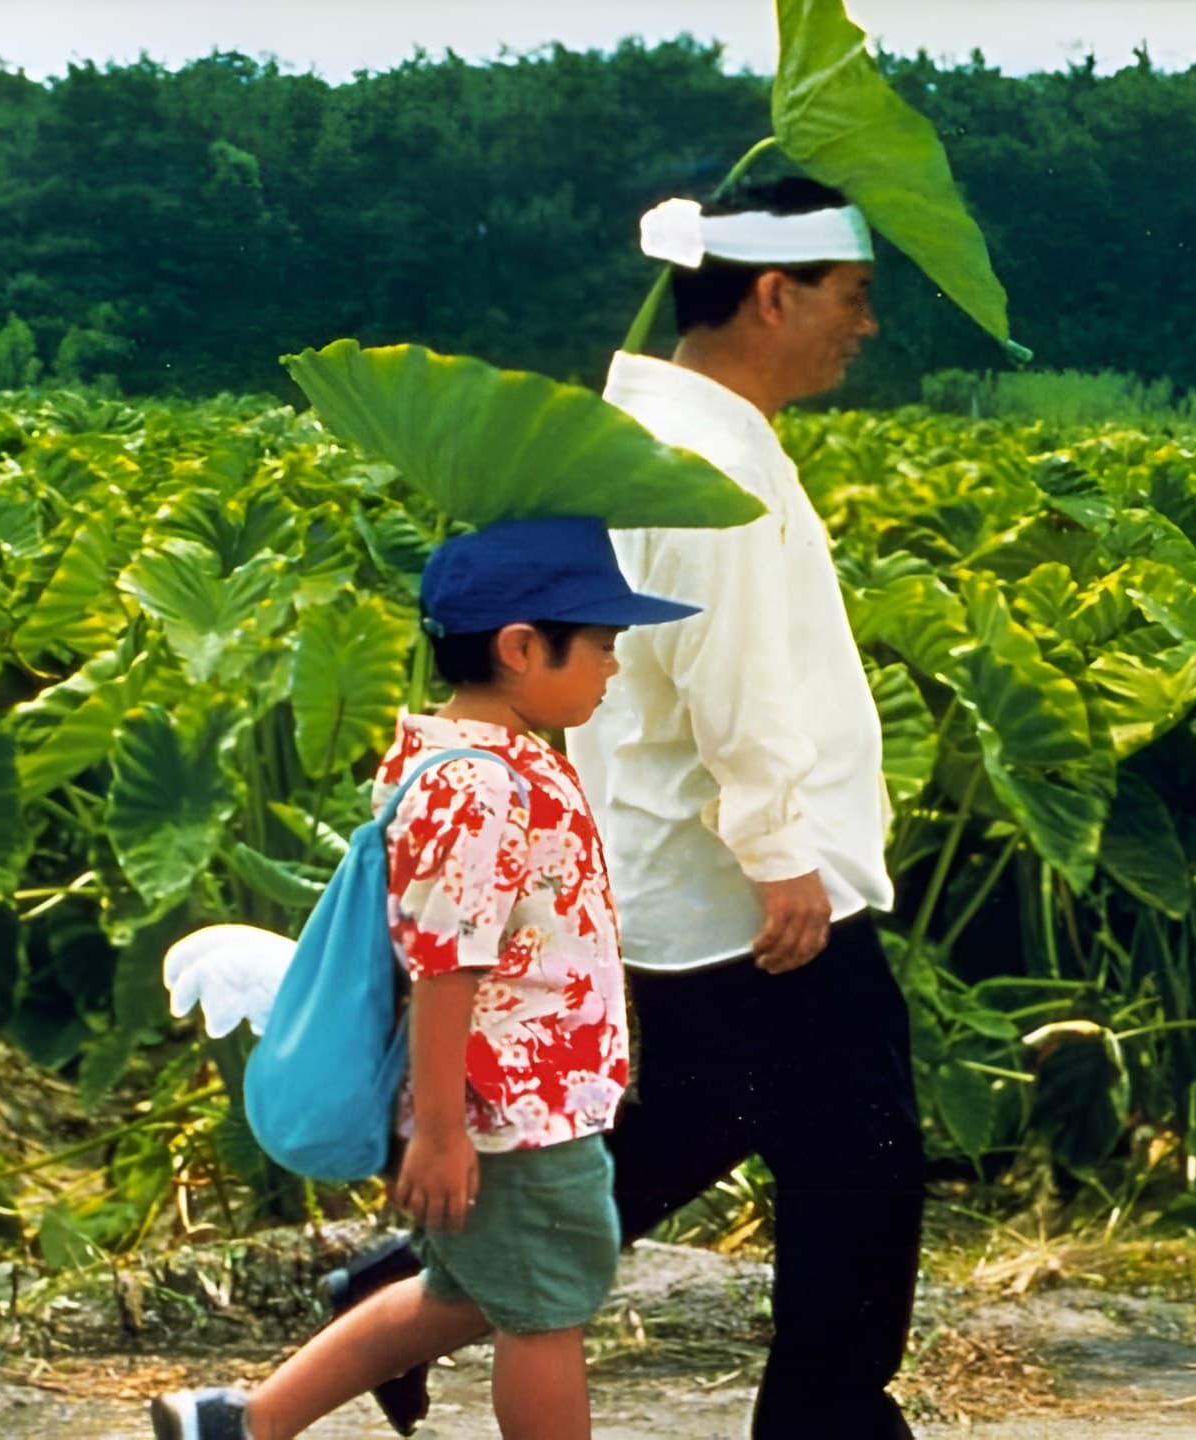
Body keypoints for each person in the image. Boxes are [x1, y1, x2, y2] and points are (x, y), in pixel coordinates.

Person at [324, 170, 925, 1439]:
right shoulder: (706, 463)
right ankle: (825, 1423)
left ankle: (404, 1292)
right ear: (775, 294)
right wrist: (780, 849)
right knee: (860, 1175)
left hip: (678, 875)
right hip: (745, 891)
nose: (866, 325)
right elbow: (731, 678)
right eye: (852, 295)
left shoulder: (654, 431)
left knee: (695, 1131)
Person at [152, 515, 700, 1440]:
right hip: (508, 1111)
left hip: (513, 1103)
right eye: (601, 645)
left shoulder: (479, 761)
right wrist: (442, 1134)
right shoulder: (478, 786)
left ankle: (240, 1424)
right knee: (547, 1312)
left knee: (465, 1291)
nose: (613, 665)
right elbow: (448, 968)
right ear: (520, 648)